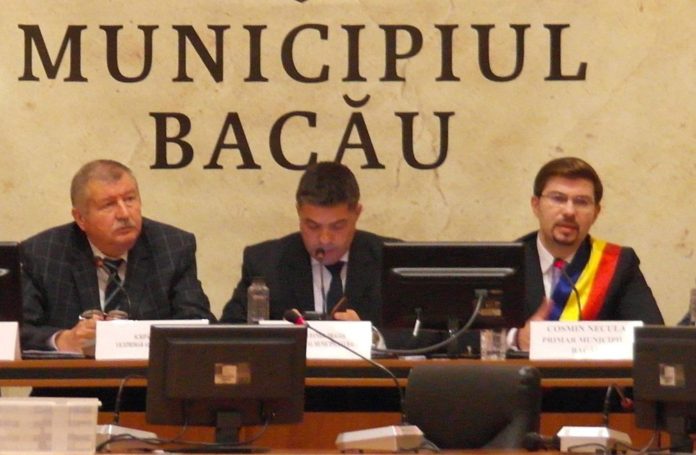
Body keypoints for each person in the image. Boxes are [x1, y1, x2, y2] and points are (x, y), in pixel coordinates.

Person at [21, 159, 215, 353]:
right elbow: (18, 330)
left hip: (148, 372)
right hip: (72, 373)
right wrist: (62, 340)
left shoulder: (172, 247)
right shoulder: (42, 254)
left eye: (130, 199)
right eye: (108, 205)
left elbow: (198, 322)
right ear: (80, 218)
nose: (124, 214)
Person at [514, 157, 664, 350]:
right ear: (536, 205)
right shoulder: (505, 262)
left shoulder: (618, 263)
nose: (569, 211)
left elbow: (653, 338)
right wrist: (516, 339)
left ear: (596, 213)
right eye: (558, 198)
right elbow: (472, 334)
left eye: (581, 202)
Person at [221, 161, 393, 325]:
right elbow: (230, 332)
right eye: (313, 226)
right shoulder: (265, 264)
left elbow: (409, 335)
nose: (325, 239)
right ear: (299, 212)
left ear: (357, 213)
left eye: (337, 226)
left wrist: (370, 335)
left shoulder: (391, 261)